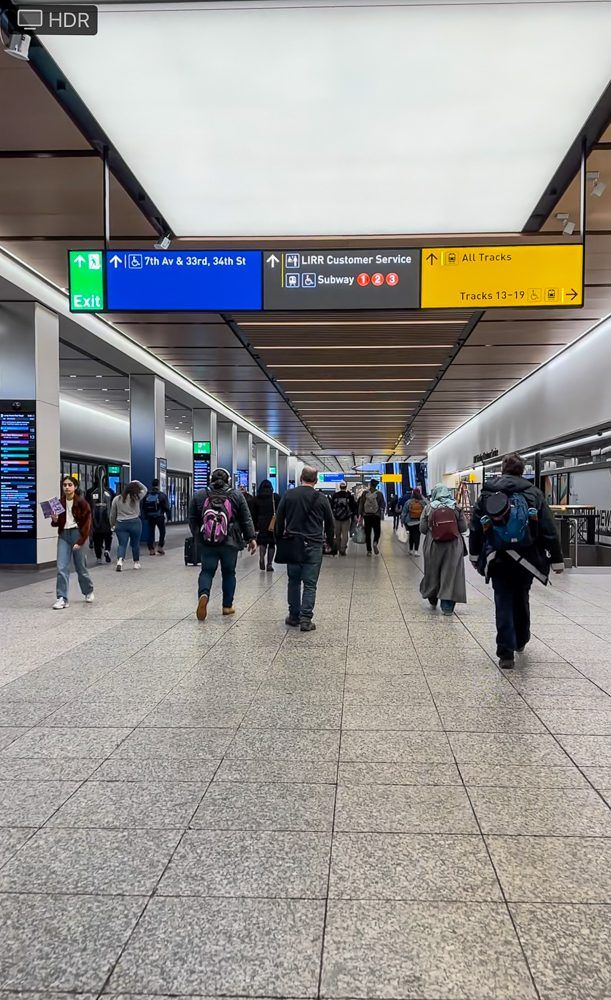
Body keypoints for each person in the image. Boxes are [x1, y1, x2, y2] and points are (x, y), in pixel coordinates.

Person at [469, 452, 564, 669]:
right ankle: (521, 640)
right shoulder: (533, 493)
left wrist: (475, 556)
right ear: (522, 471)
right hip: (527, 558)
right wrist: (557, 558)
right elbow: (548, 528)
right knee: (521, 596)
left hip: (498, 557)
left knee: (502, 600)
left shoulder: (487, 493)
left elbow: (476, 528)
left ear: (503, 470)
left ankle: (506, 653)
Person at [188, 467, 257, 621]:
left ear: (211, 479)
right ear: (228, 481)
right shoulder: (236, 495)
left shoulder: (200, 495)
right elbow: (246, 518)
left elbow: (192, 518)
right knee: (228, 573)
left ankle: (204, 594)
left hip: (207, 542)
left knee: (206, 571)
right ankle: (227, 606)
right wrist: (251, 537)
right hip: (230, 541)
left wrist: (198, 535)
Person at [274, 465, 335, 631]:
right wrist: (331, 543)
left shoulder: (289, 495)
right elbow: (330, 523)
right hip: (314, 545)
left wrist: (279, 540)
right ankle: (306, 620)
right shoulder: (321, 498)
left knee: (293, 581)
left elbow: (279, 520)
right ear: (315, 481)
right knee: (310, 584)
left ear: (301, 477)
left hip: (293, 544)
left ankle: (294, 616)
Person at [419, 484, 467, 616]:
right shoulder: (456, 507)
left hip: (433, 543)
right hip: (453, 545)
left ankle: (432, 596)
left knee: (433, 571)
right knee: (450, 573)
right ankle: (447, 606)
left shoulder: (429, 507)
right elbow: (463, 528)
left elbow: (422, 529)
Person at [51, 477, 95, 609]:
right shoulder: (58, 503)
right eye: (64, 485)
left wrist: (81, 541)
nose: (67, 487)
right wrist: (54, 519)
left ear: (75, 487)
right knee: (61, 567)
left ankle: (88, 591)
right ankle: (62, 598)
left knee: (80, 566)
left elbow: (87, 524)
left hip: (78, 534)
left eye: (70, 485)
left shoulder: (82, 503)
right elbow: (56, 523)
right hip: (64, 535)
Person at [110, 480, 147, 571]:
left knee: (122, 544)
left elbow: (112, 514)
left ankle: (120, 561)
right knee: (135, 544)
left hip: (121, 524)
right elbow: (145, 489)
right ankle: (136, 563)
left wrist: (112, 525)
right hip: (135, 523)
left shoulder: (117, 499)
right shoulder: (136, 497)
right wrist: (138, 482)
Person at [86, 467, 114, 564]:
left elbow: (86, 506)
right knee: (108, 537)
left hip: (95, 520)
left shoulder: (90, 491)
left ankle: (98, 558)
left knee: (97, 539)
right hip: (107, 520)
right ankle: (107, 550)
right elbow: (113, 506)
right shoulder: (110, 491)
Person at [252, 479, 280, 572]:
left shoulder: (256, 499)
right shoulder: (275, 497)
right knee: (272, 544)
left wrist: (255, 526)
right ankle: (269, 564)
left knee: (262, 543)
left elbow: (254, 514)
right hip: (272, 523)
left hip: (261, 523)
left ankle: (261, 558)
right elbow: (280, 511)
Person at [142, 478, 171, 556]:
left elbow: (143, 506)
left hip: (150, 517)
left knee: (150, 532)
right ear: (158, 485)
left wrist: (145, 516)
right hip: (159, 516)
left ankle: (151, 549)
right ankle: (160, 547)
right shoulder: (162, 495)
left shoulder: (147, 495)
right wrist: (169, 517)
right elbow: (167, 507)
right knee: (162, 532)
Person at [357, 479, 386, 555]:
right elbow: (383, 505)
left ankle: (369, 551)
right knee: (377, 531)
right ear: (376, 485)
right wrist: (381, 512)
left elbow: (361, 504)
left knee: (368, 533)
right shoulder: (379, 494)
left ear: (370, 484)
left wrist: (360, 514)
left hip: (367, 515)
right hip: (376, 515)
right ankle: (375, 542)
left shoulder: (364, 493)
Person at [330, 481, 356, 556]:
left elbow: (331, 506)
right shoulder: (349, 496)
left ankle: (338, 548)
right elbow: (353, 507)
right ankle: (343, 548)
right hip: (346, 518)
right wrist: (355, 515)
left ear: (340, 487)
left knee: (337, 534)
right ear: (346, 487)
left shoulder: (335, 495)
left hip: (336, 518)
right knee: (345, 534)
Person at [401, 487, 425, 554]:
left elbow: (404, 512)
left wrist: (402, 521)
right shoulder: (422, 502)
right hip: (419, 521)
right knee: (417, 536)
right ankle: (416, 551)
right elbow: (428, 506)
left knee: (411, 535)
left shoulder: (408, 502)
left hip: (410, 522)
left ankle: (411, 550)